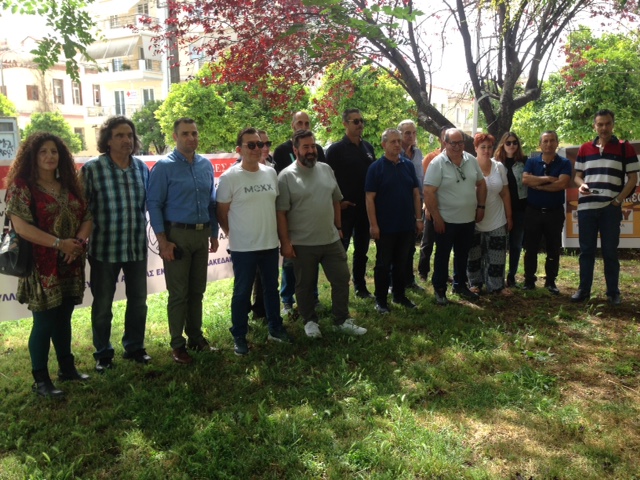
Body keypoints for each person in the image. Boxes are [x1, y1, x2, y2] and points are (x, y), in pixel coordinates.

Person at [5, 132, 92, 397]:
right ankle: (41, 380)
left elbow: (87, 216)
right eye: (43, 151)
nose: (49, 156)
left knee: (64, 317)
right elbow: (21, 227)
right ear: (32, 156)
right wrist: (59, 244)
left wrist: (77, 243)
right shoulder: (22, 186)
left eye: (54, 151)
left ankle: (67, 368)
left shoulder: (69, 184)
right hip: (41, 266)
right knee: (44, 322)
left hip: (70, 261)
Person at [276, 129, 367, 338]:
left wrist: (338, 227)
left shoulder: (326, 169)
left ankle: (341, 320)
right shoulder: (286, 177)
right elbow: (281, 213)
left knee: (342, 278)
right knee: (305, 285)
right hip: (302, 243)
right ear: (295, 150)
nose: (311, 151)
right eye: (305, 147)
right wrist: (286, 242)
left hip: (330, 239)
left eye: (313, 146)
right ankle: (309, 321)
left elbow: (335, 200)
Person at [81, 116, 151, 373]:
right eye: (119, 135)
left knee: (138, 302)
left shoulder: (142, 168)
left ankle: (134, 347)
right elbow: (82, 209)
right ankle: (103, 354)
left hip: (136, 247)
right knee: (102, 305)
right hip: (104, 249)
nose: (126, 140)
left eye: (129, 135)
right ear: (108, 141)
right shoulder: (92, 169)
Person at [147, 118, 219, 364]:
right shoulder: (164, 167)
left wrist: (213, 232)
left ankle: (196, 338)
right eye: (186, 133)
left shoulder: (205, 165)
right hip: (176, 236)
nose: (191, 138)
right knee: (179, 293)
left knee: (197, 291)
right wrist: (163, 242)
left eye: (194, 133)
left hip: (201, 234)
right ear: (175, 137)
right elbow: (154, 204)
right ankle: (178, 345)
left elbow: (211, 202)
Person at [217, 127, 291, 356]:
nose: (257, 148)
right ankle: (239, 336)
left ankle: (275, 328)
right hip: (243, 248)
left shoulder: (270, 173)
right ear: (239, 150)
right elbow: (221, 213)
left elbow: (276, 209)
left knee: (271, 289)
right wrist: (233, 233)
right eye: (251, 145)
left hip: (269, 244)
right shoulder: (230, 177)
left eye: (260, 144)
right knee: (241, 292)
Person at [571, 109, 639, 305]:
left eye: (607, 123)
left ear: (613, 124)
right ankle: (583, 290)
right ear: (595, 126)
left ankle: (613, 292)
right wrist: (581, 185)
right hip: (587, 208)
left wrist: (617, 201)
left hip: (610, 208)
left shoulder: (625, 148)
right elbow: (577, 176)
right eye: (600, 124)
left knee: (610, 251)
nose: (604, 128)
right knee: (586, 251)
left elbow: (633, 178)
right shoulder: (584, 148)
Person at [423, 128, 487, 305]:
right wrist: (437, 218)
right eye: (453, 143)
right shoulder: (437, 163)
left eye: (460, 143)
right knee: (442, 256)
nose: (457, 146)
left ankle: (460, 285)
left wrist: (481, 206)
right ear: (445, 143)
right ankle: (439, 289)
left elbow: (481, 184)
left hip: (467, 219)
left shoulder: (471, 160)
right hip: (446, 221)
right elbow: (428, 192)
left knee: (462, 255)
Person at [365, 129, 423, 314]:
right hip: (385, 227)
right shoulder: (376, 168)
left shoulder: (408, 165)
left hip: (406, 224)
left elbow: (416, 194)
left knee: (402, 262)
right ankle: (381, 300)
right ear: (384, 145)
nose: (398, 144)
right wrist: (373, 225)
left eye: (399, 141)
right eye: (393, 141)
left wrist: (418, 219)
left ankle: (399, 295)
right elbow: (369, 198)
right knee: (383, 264)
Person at [273, 112, 323, 315]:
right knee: (290, 261)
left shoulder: (318, 149)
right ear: (292, 125)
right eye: (300, 122)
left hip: (312, 213)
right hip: (291, 213)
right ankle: (287, 300)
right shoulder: (281, 150)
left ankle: (313, 297)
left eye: (307, 123)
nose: (303, 125)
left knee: (312, 262)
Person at [325, 108, 376, 299]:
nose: (360, 124)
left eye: (361, 121)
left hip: (364, 209)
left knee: (362, 251)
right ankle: (339, 289)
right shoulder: (336, 150)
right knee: (340, 252)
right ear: (345, 124)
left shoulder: (368, 148)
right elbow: (328, 179)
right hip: (344, 210)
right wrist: (338, 202)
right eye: (355, 121)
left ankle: (360, 287)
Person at [521, 131, 572, 293]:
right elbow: (526, 180)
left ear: (557, 143)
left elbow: (562, 184)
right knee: (531, 248)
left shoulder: (564, 163)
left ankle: (550, 281)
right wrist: (549, 179)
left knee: (553, 248)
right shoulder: (531, 161)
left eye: (552, 140)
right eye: (545, 141)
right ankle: (529, 280)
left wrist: (538, 185)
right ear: (540, 144)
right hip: (533, 212)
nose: (548, 144)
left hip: (554, 213)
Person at [466, 133, 512, 295]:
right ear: (475, 148)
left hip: (497, 219)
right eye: (483, 147)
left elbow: (505, 193)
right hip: (473, 219)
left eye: (489, 147)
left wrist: (509, 217)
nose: (486, 150)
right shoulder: (468, 166)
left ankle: (496, 286)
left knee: (497, 256)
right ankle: (474, 284)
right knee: (473, 255)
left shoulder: (499, 167)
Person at [494, 131, 528, 287]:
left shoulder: (524, 162)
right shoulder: (495, 163)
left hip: (520, 209)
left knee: (516, 244)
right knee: (499, 244)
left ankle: (511, 276)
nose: (512, 145)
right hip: (500, 209)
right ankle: (497, 276)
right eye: (508, 143)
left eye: (515, 142)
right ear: (503, 144)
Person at [397, 119, 424, 291]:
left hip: (416, 203)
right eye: (407, 133)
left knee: (410, 245)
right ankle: (395, 281)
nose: (411, 136)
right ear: (400, 134)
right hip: (399, 204)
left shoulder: (418, 153)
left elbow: (421, 179)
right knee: (397, 246)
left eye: (414, 132)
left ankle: (409, 280)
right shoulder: (395, 152)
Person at [418, 126, 448, 282]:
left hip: (448, 208)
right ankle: (423, 272)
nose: (447, 141)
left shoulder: (458, 158)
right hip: (431, 206)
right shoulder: (430, 158)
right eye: (445, 137)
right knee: (428, 242)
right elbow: (424, 185)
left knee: (444, 244)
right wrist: (428, 207)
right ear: (440, 139)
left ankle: (442, 273)